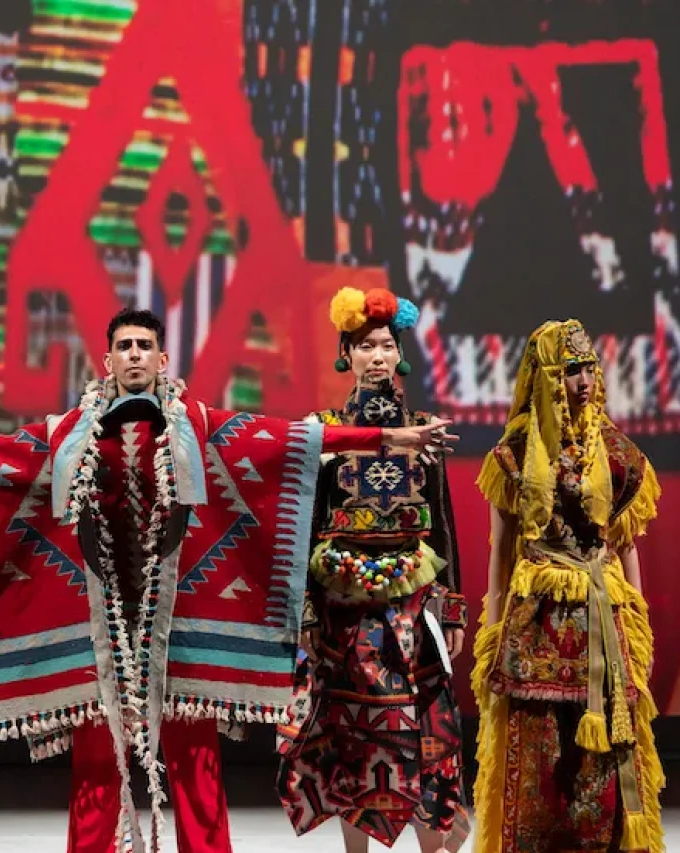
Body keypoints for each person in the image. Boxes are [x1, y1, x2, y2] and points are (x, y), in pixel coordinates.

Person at [0, 307, 457, 853]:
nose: (133, 354)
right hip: (101, 634)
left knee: (198, 776)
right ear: (107, 360)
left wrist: (388, 437)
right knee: (96, 781)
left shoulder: (198, 426)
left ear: (161, 358)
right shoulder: (71, 434)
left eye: (144, 345)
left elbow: (292, 439)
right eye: (124, 345)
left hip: (177, 633)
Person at [276, 287, 470, 853]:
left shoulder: (425, 429)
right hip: (343, 612)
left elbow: (442, 524)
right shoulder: (322, 431)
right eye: (365, 347)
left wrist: (453, 607)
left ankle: (435, 843)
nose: (377, 356)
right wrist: (303, 611)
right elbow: (307, 524)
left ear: (400, 353)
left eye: (386, 345)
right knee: (352, 738)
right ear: (346, 354)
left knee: (429, 733)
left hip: (412, 608)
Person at [470, 320, 664, 853]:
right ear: (546, 378)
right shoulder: (513, 455)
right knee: (537, 752)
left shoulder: (618, 455)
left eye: (589, 369)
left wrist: (639, 623)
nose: (583, 382)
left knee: (604, 758)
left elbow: (626, 545)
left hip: (603, 615)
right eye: (570, 370)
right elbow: (501, 550)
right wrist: (492, 633)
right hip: (537, 618)